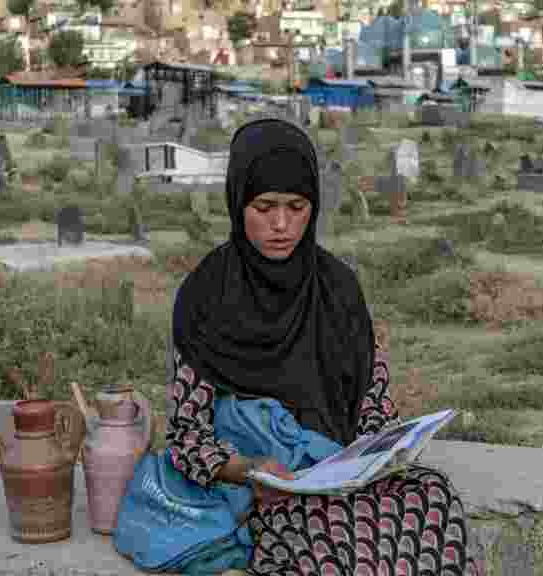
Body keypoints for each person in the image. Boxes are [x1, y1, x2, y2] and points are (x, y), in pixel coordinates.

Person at [167, 117, 474, 576]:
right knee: (332, 533)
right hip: (264, 487)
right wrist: (250, 469)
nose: (281, 224)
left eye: (297, 206)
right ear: (237, 202)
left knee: (430, 496)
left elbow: (372, 402)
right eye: (264, 206)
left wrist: (380, 451)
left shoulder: (337, 288)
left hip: (344, 471)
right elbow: (187, 435)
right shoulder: (206, 298)